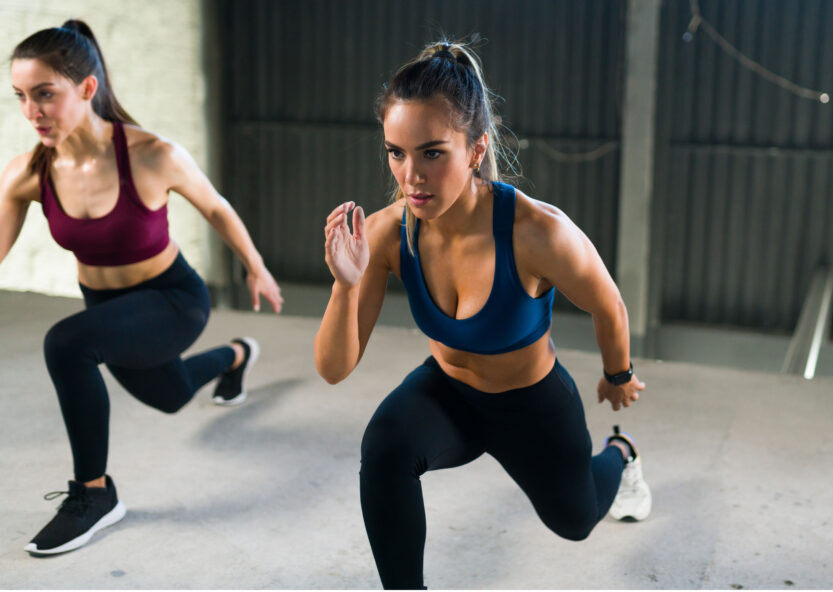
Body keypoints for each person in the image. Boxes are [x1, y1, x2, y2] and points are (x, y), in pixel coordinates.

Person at [314, 40, 652, 589]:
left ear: (475, 149)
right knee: (385, 448)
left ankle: (621, 452)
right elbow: (334, 368)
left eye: (432, 153)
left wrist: (619, 375)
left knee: (576, 522)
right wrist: (345, 287)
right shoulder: (384, 235)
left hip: (532, 404)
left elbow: (608, 303)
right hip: (448, 395)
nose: (410, 176)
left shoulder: (537, 232)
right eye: (396, 152)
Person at [0, 20, 283, 555]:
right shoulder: (26, 173)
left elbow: (216, 207)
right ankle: (235, 357)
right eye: (20, 96)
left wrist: (256, 265)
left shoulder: (152, 154)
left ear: (86, 88)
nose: (31, 112)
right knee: (171, 395)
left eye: (45, 94)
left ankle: (95, 494)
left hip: (172, 300)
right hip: (108, 307)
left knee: (66, 343)